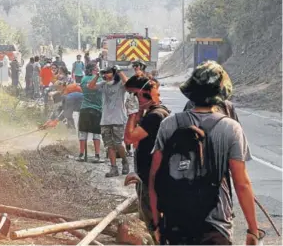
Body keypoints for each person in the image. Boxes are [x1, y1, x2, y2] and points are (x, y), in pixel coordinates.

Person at [149, 61, 261, 245]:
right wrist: (253, 230)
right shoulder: (230, 128)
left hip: (175, 223)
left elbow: (154, 178)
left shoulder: (169, 124)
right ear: (221, 93)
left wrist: (157, 224)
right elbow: (242, 184)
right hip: (215, 227)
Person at [124, 74, 170, 242]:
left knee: (153, 223)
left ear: (145, 94)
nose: (133, 99)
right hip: (150, 175)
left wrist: (132, 114)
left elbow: (129, 138)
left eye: (134, 95)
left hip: (153, 179)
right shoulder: (155, 113)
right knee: (151, 220)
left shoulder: (155, 117)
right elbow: (138, 145)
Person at [88, 66, 129, 177]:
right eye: (105, 73)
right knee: (109, 146)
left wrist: (120, 71)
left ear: (114, 73)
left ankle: (125, 161)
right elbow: (90, 86)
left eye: (109, 72)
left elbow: (128, 83)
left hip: (118, 119)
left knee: (118, 144)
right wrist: (97, 75)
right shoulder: (103, 84)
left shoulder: (120, 85)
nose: (106, 74)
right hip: (105, 120)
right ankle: (113, 168)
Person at [76, 62, 103, 163]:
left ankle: (81, 155)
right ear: (94, 69)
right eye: (96, 68)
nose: (98, 69)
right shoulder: (99, 79)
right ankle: (97, 155)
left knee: (83, 133)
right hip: (97, 109)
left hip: (85, 108)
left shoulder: (83, 79)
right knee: (96, 133)